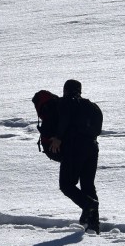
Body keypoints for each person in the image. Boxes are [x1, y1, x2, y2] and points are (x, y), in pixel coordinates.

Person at [40, 79, 103, 230]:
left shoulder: (65, 102)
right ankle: (93, 224)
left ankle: (88, 205)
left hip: (74, 148)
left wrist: (59, 138)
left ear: (65, 90)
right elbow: (98, 130)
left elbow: (65, 119)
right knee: (88, 186)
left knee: (66, 185)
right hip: (93, 147)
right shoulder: (93, 106)